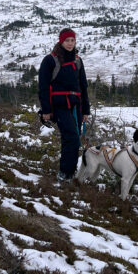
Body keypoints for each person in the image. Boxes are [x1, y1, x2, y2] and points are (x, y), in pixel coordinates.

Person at [38, 28, 90, 181]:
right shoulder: (50, 60)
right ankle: (64, 173)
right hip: (59, 106)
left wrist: (85, 110)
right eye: (67, 40)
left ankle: (69, 173)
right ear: (61, 41)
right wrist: (46, 110)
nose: (70, 43)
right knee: (72, 137)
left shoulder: (77, 61)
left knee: (73, 139)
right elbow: (43, 87)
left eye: (72, 40)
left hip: (76, 106)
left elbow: (83, 86)